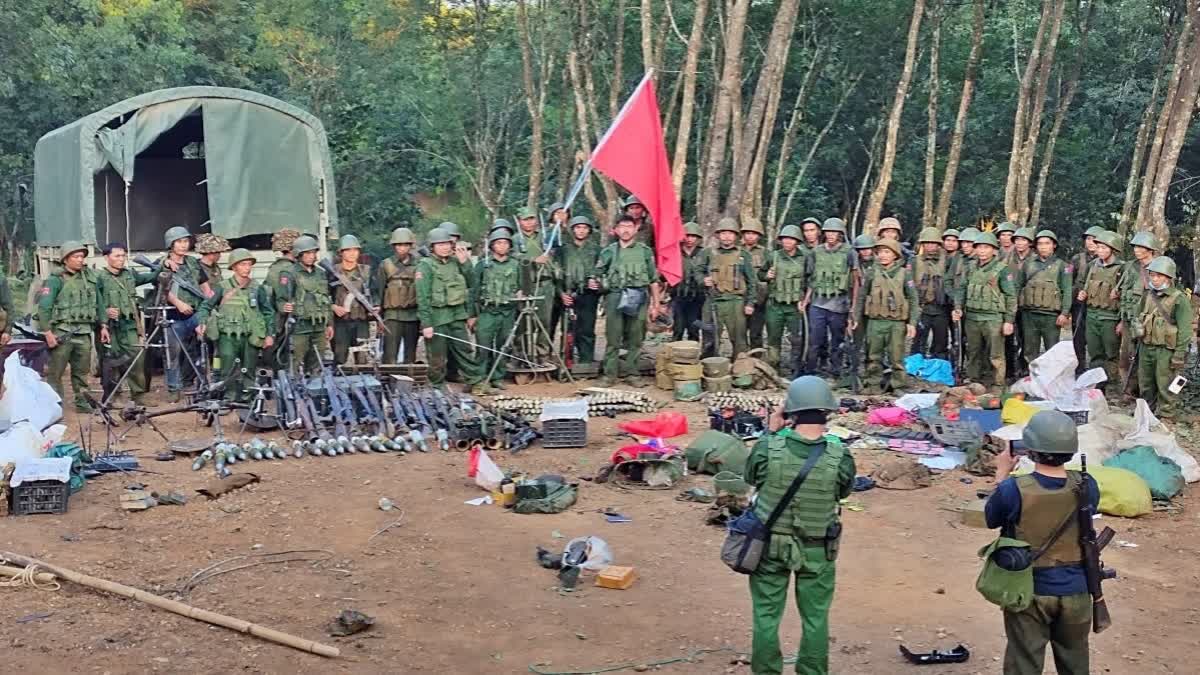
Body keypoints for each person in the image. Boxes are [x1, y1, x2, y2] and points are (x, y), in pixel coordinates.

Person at [745, 376, 855, 675]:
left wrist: (770, 431)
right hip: (817, 547)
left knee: (766, 616)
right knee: (816, 618)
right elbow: (843, 492)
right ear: (827, 413)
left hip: (770, 546)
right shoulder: (840, 455)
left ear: (790, 413)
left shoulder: (769, 447)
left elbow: (751, 476)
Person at [986, 410, 1101, 675]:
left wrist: (1001, 474)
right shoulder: (1087, 484)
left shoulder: (1013, 489)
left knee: (1023, 662)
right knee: (1075, 663)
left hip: (1029, 591)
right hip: (1077, 591)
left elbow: (992, 518)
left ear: (1029, 450)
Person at [195, 249, 275, 402]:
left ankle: (247, 398)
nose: (247, 268)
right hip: (227, 336)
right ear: (234, 267)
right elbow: (206, 306)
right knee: (227, 369)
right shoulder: (222, 287)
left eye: (249, 264)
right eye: (243, 264)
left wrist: (270, 334)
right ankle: (229, 397)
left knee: (249, 369)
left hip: (250, 335)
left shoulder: (257, 288)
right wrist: (202, 322)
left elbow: (268, 312)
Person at [595, 214, 662, 386]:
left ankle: (632, 373)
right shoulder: (608, 251)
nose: (625, 230)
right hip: (615, 297)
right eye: (622, 226)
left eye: (629, 226)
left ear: (636, 229)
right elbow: (597, 275)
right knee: (613, 337)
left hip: (639, 297)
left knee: (636, 337)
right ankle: (610, 375)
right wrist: (596, 282)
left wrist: (656, 305)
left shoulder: (645, 251)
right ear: (616, 230)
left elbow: (653, 280)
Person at [416, 227, 484, 388]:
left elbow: (472, 283)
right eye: (440, 244)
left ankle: (475, 382)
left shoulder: (456, 261)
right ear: (432, 247)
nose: (445, 247)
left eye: (447, 243)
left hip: (457, 315)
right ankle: (437, 386)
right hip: (437, 317)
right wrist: (426, 324)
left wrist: (465, 262)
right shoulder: (425, 265)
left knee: (465, 350)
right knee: (437, 356)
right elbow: (422, 297)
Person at [39, 241, 103, 412]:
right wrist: (48, 333)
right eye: (76, 256)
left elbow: (99, 304)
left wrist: (103, 325)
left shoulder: (89, 278)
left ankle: (83, 403)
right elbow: (44, 308)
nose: (80, 260)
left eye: (82, 256)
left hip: (83, 333)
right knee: (56, 373)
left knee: (82, 373)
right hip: (62, 333)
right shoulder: (55, 280)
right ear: (65, 259)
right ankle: (54, 406)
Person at [952, 232, 1016, 391]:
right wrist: (958, 307)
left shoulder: (1002, 270)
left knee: (995, 354)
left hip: (993, 318)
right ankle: (974, 380)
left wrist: (1008, 320)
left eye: (986, 247)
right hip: (972, 317)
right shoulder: (970, 268)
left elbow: (1011, 296)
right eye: (979, 247)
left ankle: (997, 384)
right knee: (973, 351)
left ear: (994, 250)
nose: (982, 251)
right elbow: (961, 289)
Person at [854, 239, 918, 393]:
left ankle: (898, 385)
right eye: (880, 252)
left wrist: (912, 323)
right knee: (873, 355)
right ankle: (873, 384)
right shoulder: (871, 272)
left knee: (897, 357)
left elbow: (913, 299)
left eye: (887, 252)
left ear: (895, 255)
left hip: (896, 323)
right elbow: (862, 296)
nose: (882, 255)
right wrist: (856, 318)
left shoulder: (904, 274)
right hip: (875, 321)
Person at [96, 243, 156, 405]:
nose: (121, 260)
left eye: (123, 256)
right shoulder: (98, 278)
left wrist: (164, 265)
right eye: (117, 256)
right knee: (112, 362)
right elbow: (92, 302)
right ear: (106, 257)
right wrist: (105, 312)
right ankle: (114, 396)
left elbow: (151, 277)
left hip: (129, 324)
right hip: (109, 327)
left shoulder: (130, 275)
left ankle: (138, 395)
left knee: (137, 358)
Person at [1134, 256, 1193, 419]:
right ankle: (1147, 413)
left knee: (1166, 385)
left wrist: (1179, 354)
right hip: (1146, 346)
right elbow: (1137, 315)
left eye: (1159, 276)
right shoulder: (1147, 295)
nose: (1155, 279)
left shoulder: (1179, 299)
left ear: (1169, 277)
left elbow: (1185, 330)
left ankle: (1167, 415)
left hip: (1166, 350)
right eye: (1152, 275)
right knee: (1146, 383)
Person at [802, 218, 858, 377]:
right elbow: (812, 279)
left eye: (835, 232)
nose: (831, 235)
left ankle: (836, 371)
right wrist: (806, 300)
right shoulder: (816, 252)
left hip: (839, 304)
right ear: (823, 233)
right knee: (814, 340)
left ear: (840, 234)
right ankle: (811, 370)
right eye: (828, 232)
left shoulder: (849, 252)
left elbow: (856, 281)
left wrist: (854, 306)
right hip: (817, 303)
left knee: (837, 341)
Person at [161, 226, 208, 400]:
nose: (183, 245)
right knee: (172, 353)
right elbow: (162, 290)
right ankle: (174, 389)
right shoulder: (163, 263)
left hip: (196, 313)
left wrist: (209, 306)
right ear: (171, 244)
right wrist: (178, 303)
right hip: (174, 315)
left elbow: (204, 286)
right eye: (179, 242)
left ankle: (204, 384)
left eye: (186, 241)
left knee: (205, 346)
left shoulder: (194, 263)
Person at [472, 230, 521, 394]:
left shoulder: (516, 264)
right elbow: (474, 290)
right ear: (492, 245)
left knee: (503, 347)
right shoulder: (483, 264)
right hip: (487, 311)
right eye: (498, 243)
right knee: (483, 346)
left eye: (506, 243)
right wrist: (472, 315)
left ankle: (497, 377)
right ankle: (480, 378)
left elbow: (522, 287)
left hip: (508, 312)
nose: (502, 246)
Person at [1014, 230, 1072, 363]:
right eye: (1040, 244)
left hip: (1051, 316)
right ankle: (1032, 377)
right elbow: (1018, 286)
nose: (1043, 247)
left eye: (1047, 243)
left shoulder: (1063, 266)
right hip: (1029, 314)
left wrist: (1064, 313)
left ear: (1054, 245)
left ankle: (1052, 378)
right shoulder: (1028, 264)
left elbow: (1067, 290)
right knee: (1029, 350)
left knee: (1052, 350)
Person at [704, 217, 756, 359]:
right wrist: (703, 279)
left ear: (736, 236)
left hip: (736, 302)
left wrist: (750, 303)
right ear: (718, 235)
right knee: (710, 338)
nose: (726, 237)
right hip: (714, 301)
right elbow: (697, 270)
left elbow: (752, 281)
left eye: (730, 233)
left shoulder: (743, 255)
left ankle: (740, 370)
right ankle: (711, 369)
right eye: (723, 233)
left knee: (739, 339)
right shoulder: (709, 253)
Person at [1078, 230, 1125, 389]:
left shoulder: (1122, 269)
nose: (1101, 251)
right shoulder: (1093, 266)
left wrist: (1122, 321)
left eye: (1105, 248)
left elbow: (1127, 298)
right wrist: (1083, 294)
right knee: (1094, 352)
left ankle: (1110, 383)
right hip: (1092, 314)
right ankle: (1096, 384)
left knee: (1111, 353)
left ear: (1113, 249)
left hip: (1110, 317)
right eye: (1098, 248)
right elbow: (1086, 285)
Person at [283, 235, 334, 376]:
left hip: (319, 324)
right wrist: (284, 307)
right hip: (300, 325)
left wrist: (329, 324)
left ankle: (315, 390)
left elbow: (326, 299)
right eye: (308, 253)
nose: (312, 256)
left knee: (317, 362)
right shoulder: (290, 273)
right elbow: (282, 299)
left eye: (314, 253)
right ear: (299, 255)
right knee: (296, 361)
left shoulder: (321, 273)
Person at [759, 225, 808, 372]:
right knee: (774, 338)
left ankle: (795, 368)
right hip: (775, 305)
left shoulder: (804, 258)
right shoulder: (773, 256)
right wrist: (767, 276)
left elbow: (810, 280)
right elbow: (760, 274)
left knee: (796, 339)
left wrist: (804, 300)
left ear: (797, 241)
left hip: (795, 306)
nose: (787, 242)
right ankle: (774, 367)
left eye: (791, 239)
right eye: (785, 238)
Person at [1118, 231, 1160, 397]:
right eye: (1135, 246)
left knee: (1144, 358)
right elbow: (1123, 294)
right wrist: (1122, 320)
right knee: (1127, 356)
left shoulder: (1159, 268)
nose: (1137, 250)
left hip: (1147, 320)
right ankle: (1129, 390)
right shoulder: (1130, 266)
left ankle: (1147, 393)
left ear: (1150, 249)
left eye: (1141, 247)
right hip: (1129, 318)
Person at [557, 215, 603, 364]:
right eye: (578, 227)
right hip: (569, 295)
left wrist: (596, 281)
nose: (581, 231)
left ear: (589, 230)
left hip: (589, 295)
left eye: (584, 228)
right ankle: (567, 362)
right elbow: (556, 275)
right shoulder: (563, 250)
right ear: (572, 230)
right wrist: (561, 293)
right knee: (569, 330)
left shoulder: (596, 250)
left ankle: (586, 361)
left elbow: (602, 270)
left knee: (587, 329)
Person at [514, 206, 559, 357]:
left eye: (532, 218)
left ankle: (542, 355)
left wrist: (560, 220)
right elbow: (512, 258)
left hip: (545, 283)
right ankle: (523, 355)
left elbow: (561, 236)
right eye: (525, 219)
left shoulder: (546, 235)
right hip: (525, 284)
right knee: (523, 323)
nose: (529, 222)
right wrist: (533, 260)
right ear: (519, 221)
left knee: (545, 322)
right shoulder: (514, 239)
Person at [329, 234, 378, 365]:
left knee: (362, 357)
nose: (352, 253)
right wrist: (333, 307)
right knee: (339, 357)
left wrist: (376, 306)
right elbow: (323, 296)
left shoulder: (366, 271)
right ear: (341, 252)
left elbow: (375, 292)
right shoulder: (332, 272)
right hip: (340, 322)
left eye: (355, 250)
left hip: (361, 320)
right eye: (348, 250)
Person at [378, 227, 422, 364]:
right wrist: (380, 317)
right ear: (393, 246)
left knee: (410, 354)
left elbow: (423, 292)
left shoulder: (420, 264)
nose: (402, 248)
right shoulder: (385, 264)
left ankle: (408, 382)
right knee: (389, 354)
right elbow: (380, 290)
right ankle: (387, 382)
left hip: (413, 315)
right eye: (399, 245)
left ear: (410, 246)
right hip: (392, 315)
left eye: (405, 245)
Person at [911, 227, 953, 360]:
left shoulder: (947, 260)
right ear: (922, 244)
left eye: (933, 243)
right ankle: (917, 363)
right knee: (919, 340)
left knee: (941, 340)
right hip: (922, 307)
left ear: (939, 245)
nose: (930, 246)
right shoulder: (915, 261)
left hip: (941, 307)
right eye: (927, 243)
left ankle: (938, 362)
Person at [263, 228, 300, 369]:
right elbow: (283, 296)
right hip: (280, 316)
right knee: (279, 348)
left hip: (274, 315)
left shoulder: (276, 266)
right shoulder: (287, 269)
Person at [1070, 227, 1103, 373]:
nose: (1090, 242)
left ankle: (1098, 369)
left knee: (1097, 340)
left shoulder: (1105, 260)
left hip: (1097, 306)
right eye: (1088, 239)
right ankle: (1080, 366)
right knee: (1078, 338)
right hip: (1079, 305)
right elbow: (1069, 282)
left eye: (1094, 239)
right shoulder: (1077, 259)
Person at [672, 222, 709, 344]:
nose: (689, 240)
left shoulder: (704, 254)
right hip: (678, 296)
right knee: (678, 327)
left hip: (697, 298)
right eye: (687, 236)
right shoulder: (674, 252)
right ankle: (673, 357)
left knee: (694, 328)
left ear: (698, 238)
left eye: (693, 236)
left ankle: (692, 356)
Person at [742, 218, 770, 350]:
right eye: (747, 233)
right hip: (740, 297)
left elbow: (769, 274)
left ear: (759, 235)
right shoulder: (737, 251)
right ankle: (740, 359)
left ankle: (756, 359)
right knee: (739, 332)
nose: (750, 236)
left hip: (759, 299)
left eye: (753, 233)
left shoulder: (765, 253)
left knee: (756, 333)